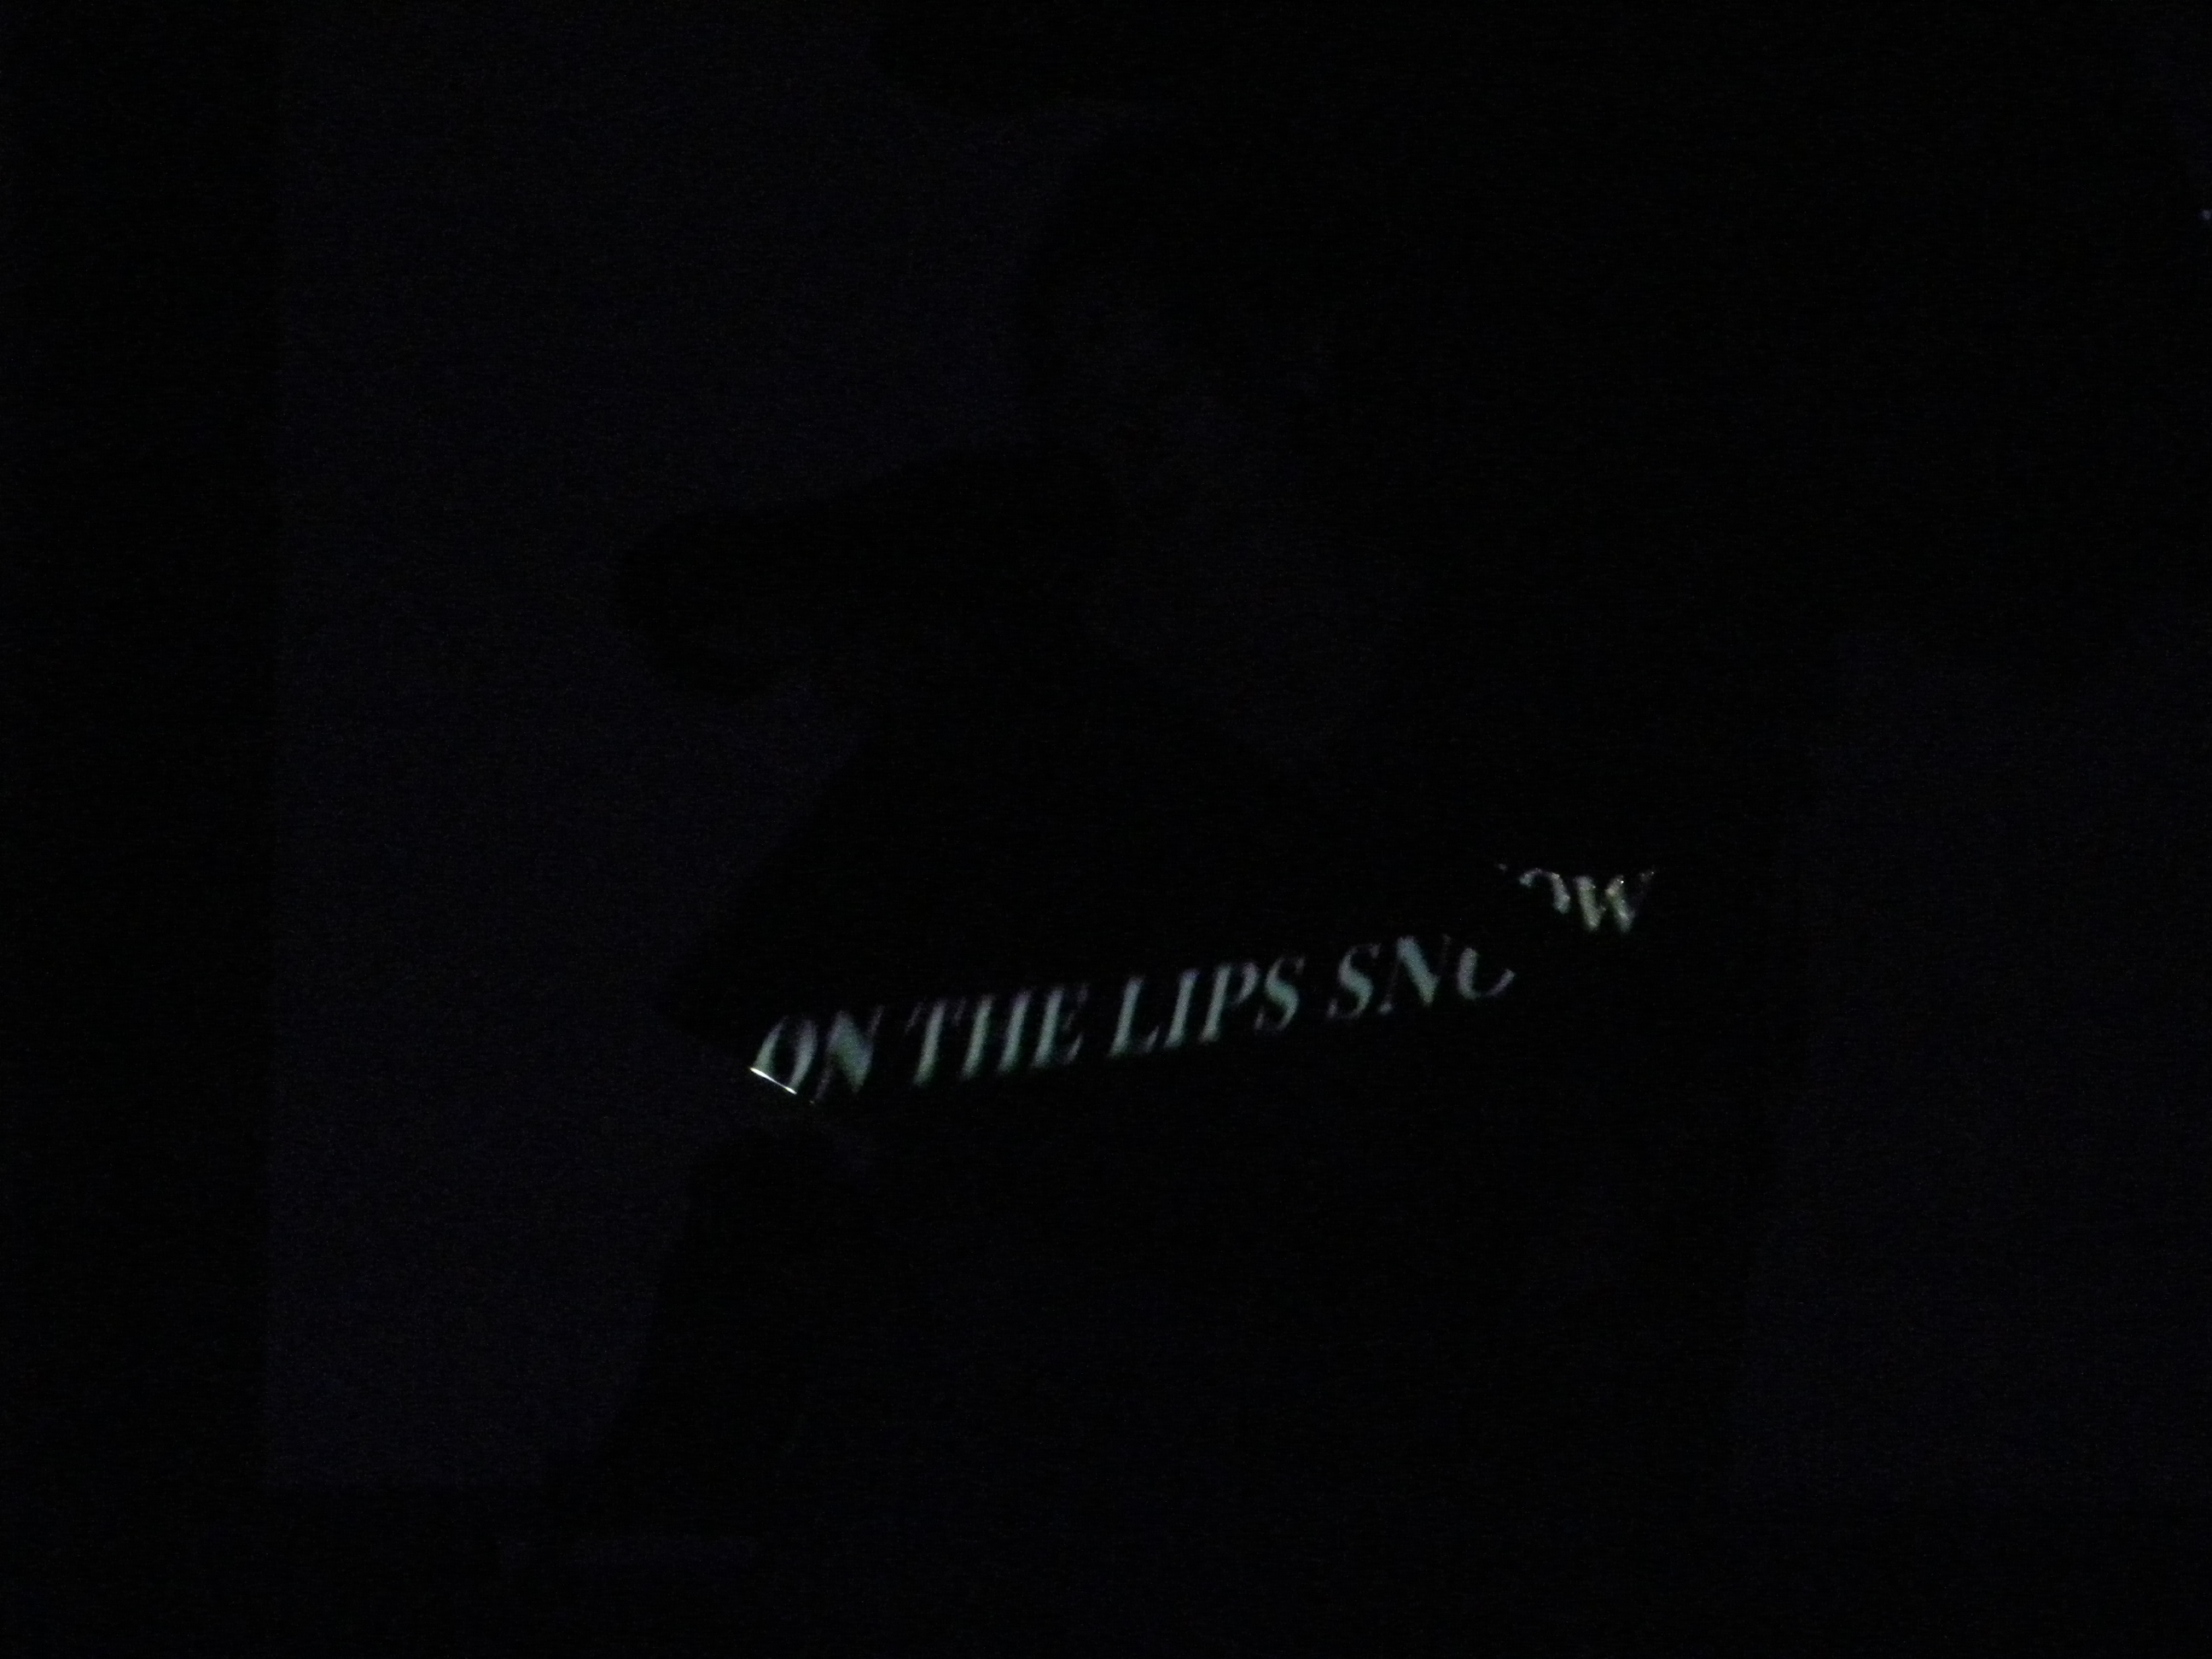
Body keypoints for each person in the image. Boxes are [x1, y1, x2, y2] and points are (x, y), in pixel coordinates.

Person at [560, 31, 2212, 1654]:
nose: (1127, 448)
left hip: (1404, 1302)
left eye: (1157, 396)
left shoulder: (1521, 624)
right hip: (1156, 1324)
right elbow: (843, 1045)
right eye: (1089, 407)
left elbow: (1604, 950)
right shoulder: (1062, 648)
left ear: (1296, 360)